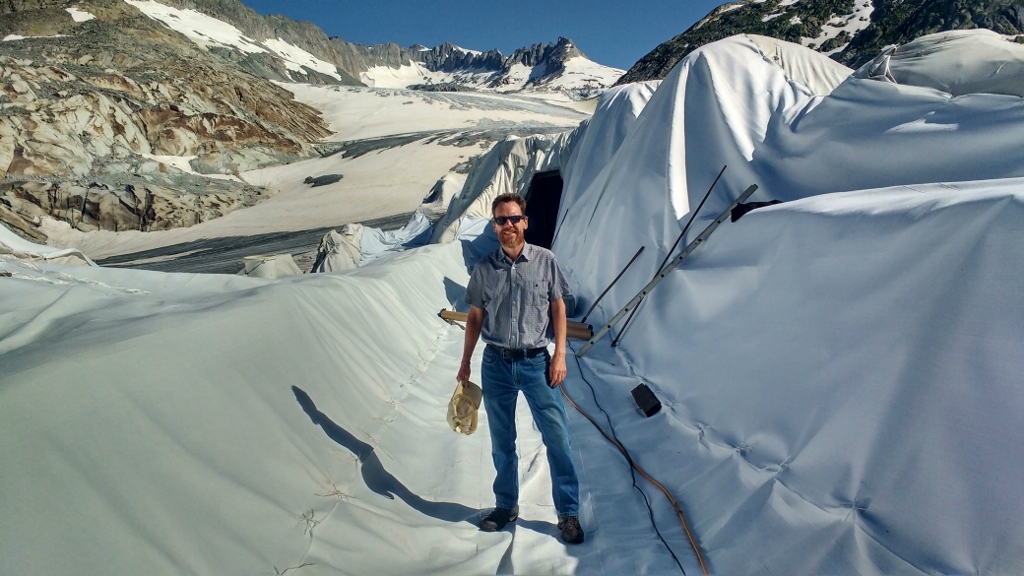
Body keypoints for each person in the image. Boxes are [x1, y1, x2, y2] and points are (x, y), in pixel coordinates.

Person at [457, 192, 584, 545]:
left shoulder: (546, 261)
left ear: (525, 222)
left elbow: (558, 308)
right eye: (501, 220)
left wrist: (559, 355)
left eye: (514, 218)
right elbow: (475, 318)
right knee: (501, 442)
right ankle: (506, 506)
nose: (508, 225)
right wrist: (465, 362)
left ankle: (568, 513)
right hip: (496, 363)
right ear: (494, 225)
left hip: (535, 364)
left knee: (557, 440)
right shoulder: (485, 268)